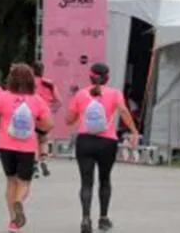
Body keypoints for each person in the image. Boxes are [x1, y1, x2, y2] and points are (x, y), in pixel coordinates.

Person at [66, 63, 139, 233]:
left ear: (90, 76)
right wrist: (134, 131)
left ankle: (85, 218)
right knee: (105, 180)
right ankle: (103, 218)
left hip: (84, 141)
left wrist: (80, 115)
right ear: (107, 77)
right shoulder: (115, 93)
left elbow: (69, 120)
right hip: (107, 142)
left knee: (86, 182)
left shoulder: (81, 94)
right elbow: (123, 111)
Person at [0, 63, 54, 233]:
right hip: (27, 147)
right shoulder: (37, 99)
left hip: (5, 145)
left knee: (11, 181)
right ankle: (19, 202)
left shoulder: (2, 96)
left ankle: (13, 222)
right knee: (24, 182)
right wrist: (36, 125)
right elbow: (49, 123)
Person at [32, 62, 61, 178]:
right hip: (45, 112)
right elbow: (59, 101)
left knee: (33, 140)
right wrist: (50, 107)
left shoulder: (29, 82)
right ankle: (43, 159)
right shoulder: (49, 83)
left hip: (32, 112)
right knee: (43, 139)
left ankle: (34, 167)